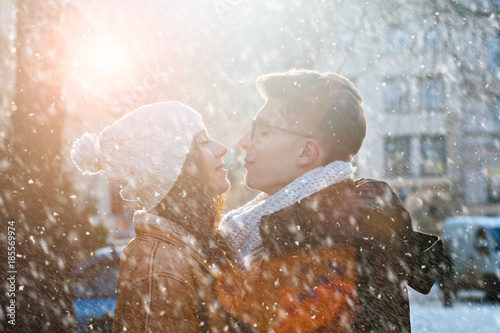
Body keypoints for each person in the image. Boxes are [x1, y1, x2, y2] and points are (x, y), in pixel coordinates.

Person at [217, 69, 443, 332]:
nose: (244, 141)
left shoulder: (331, 240)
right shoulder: (306, 226)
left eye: (263, 132)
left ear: (306, 151)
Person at [71, 102, 253, 332]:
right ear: (179, 168)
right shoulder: (161, 269)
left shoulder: (181, 250)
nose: (221, 149)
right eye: (203, 142)